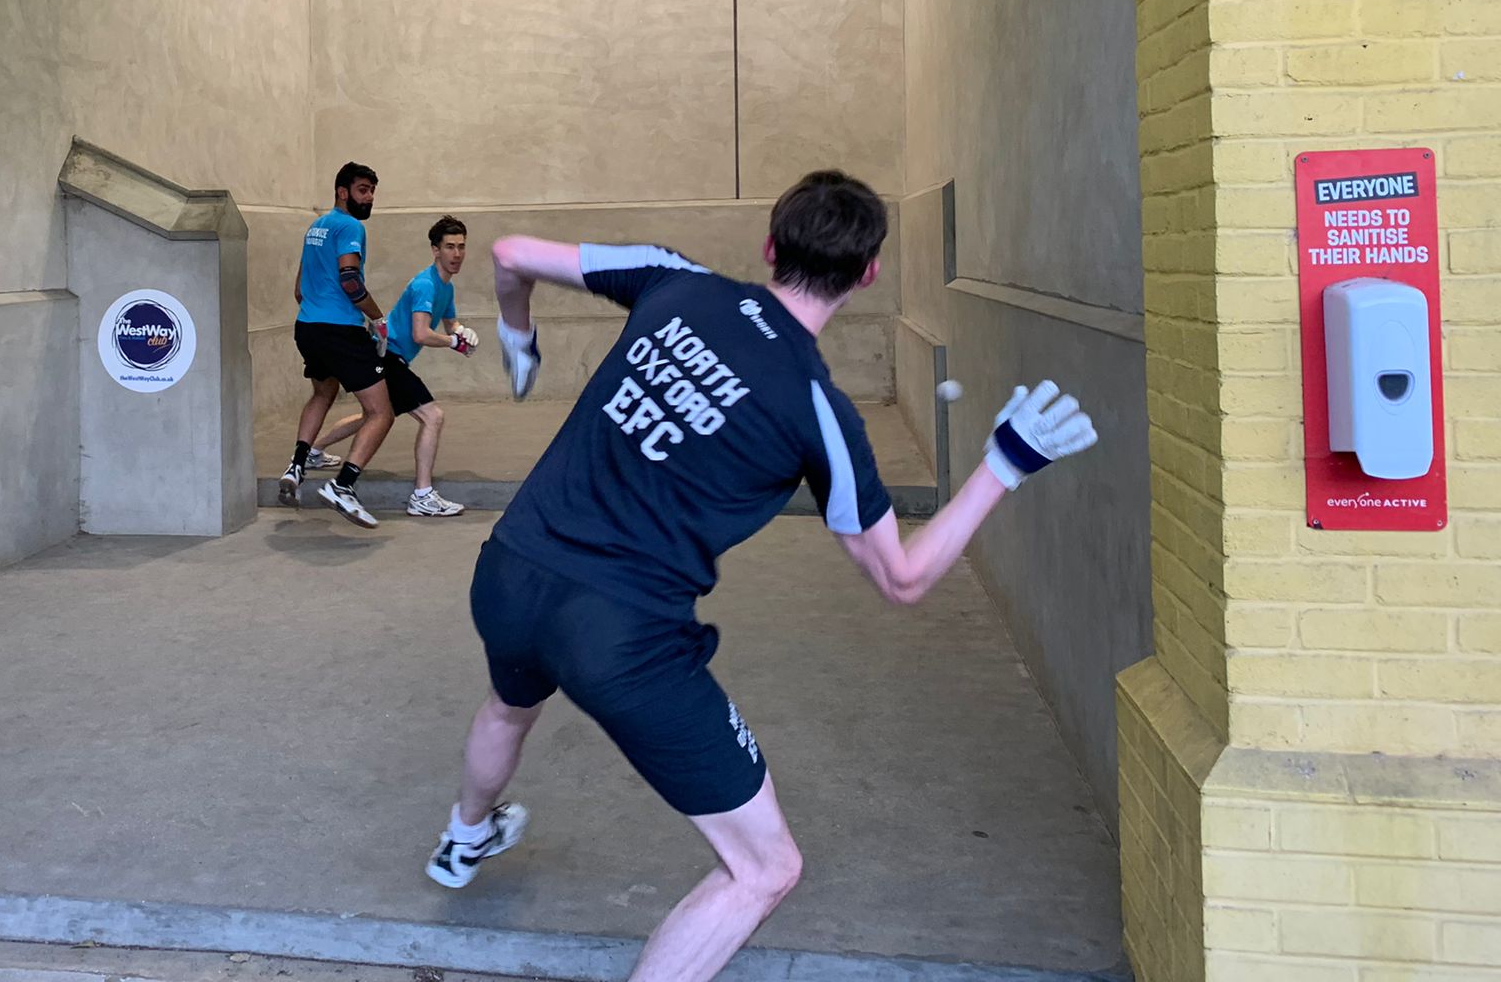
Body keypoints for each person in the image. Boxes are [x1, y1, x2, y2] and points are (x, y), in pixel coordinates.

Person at [424, 170, 1097, 982]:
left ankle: (463, 837)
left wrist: (515, 333)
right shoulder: (820, 411)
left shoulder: (674, 279)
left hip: (510, 570)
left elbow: (509, 253)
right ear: (868, 275)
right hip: (619, 637)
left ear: (771, 247)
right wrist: (1004, 465)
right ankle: (471, 837)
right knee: (765, 869)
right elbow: (904, 577)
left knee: (508, 705)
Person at [306, 216, 482, 518]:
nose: (456, 254)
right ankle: (423, 495)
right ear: (435, 250)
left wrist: (462, 333)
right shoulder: (426, 284)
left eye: (461, 247)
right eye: (449, 247)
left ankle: (313, 450)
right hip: (388, 356)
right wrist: (452, 343)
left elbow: (450, 323)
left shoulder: (445, 288)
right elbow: (421, 334)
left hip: (388, 355)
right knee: (432, 417)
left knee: (370, 417)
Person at [279, 162, 395, 530]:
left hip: (308, 328)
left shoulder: (316, 226)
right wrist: (378, 319)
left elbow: (299, 289)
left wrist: (320, 311)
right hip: (339, 331)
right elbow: (350, 280)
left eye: (373, 190)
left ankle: (296, 466)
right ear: (343, 192)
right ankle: (343, 485)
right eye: (363, 189)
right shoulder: (350, 227)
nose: (370, 197)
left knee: (322, 393)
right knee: (381, 412)